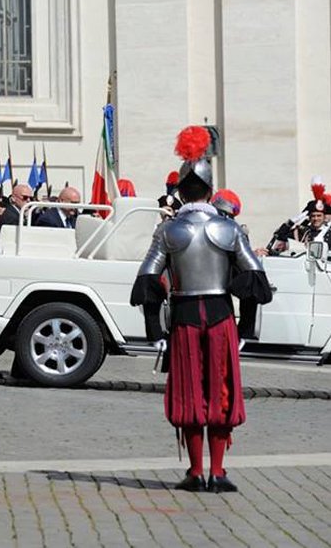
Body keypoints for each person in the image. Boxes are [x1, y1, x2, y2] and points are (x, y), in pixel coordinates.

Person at [131, 125, 272, 494]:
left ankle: (195, 472)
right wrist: (246, 330)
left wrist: (154, 333)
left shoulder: (168, 230)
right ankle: (219, 472)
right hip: (222, 315)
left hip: (185, 318)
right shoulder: (229, 228)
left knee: (189, 392)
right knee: (222, 389)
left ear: (179, 191)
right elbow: (254, 280)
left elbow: (147, 281)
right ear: (210, 192)